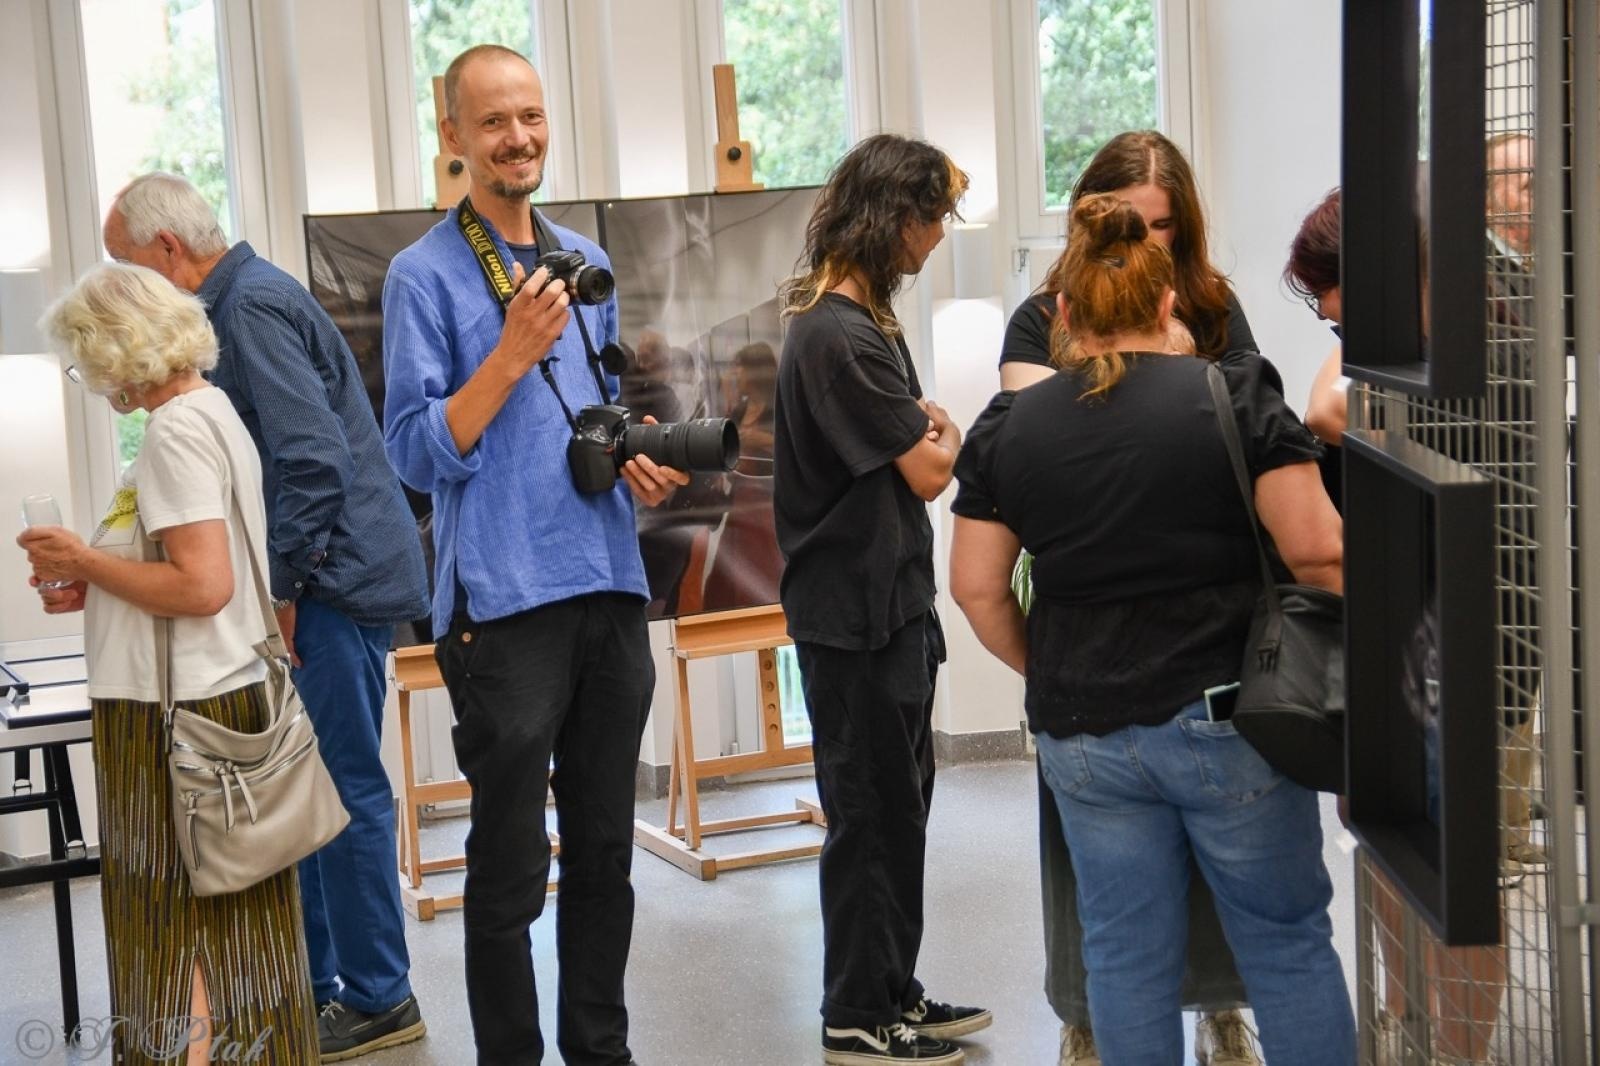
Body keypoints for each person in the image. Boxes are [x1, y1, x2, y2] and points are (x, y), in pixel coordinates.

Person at [950, 194, 1353, 1066]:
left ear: (1062, 314)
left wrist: (1045, 666)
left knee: (1125, 962)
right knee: (1283, 945)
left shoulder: (1008, 427)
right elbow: (1319, 552)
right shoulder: (1231, 392)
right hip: (1229, 718)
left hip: (1082, 734)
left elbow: (977, 590)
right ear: (1171, 306)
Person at [380, 43, 686, 1066]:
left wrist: (631, 459)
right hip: (502, 604)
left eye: (532, 117)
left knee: (605, 851)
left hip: (606, 585)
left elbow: (586, 413)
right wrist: (507, 351)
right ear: (455, 138)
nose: (518, 137)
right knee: (509, 868)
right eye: (494, 121)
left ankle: (601, 1052)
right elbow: (417, 452)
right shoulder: (421, 275)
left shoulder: (576, 259)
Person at [100, 171, 431, 1062]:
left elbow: (315, 461)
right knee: (304, 788)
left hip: (335, 585)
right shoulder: (249, 298)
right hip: (330, 579)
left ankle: (378, 997)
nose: (131, 293)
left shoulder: (244, 308)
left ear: (170, 250)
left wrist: (279, 592)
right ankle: (318, 985)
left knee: (338, 792)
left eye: (128, 269)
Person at [998, 129, 1260, 1066]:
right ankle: (1087, 1021)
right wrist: (1164, 365)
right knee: (1095, 866)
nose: (1147, 245)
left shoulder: (1217, 307)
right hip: (1085, 628)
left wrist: (1172, 360)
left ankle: (1223, 1010)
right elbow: (1024, 424)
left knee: (1223, 848)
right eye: (1129, 225)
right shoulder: (1039, 317)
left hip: (1207, 626)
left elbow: (1252, 422)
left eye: (1164, 228)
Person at [18, 263, 319, 1065]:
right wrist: (99, 584)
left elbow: (201, 585)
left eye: (88, 358)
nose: (92, 378)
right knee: (225, 921)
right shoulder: (210, 413)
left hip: (172, 713)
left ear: (120, 349)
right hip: (215, 694)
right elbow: (187, 569)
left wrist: (82, 559)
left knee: (168, 918)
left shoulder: (174, 432)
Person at [773, 132, 989, 1066]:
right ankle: (857, 1010)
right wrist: (935, 432)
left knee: (900, 814)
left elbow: (928, 451)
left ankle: (892, 990)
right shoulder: (834, 333)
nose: (937, 237)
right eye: (931, 217)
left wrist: (933, 436)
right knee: (867, 820)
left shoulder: (869, 325)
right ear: (889, 216)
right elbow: (932, 465)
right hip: (851, 621)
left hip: (891, 609)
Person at [1285, 187, 1511, 1066]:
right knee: (1380, 849)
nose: (1330, 321)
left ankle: (1457, 1050)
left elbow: (1327, 411)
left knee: (1454, 879)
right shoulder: (1380, 348)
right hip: (1384, 643)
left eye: (1333, 299)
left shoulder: (1479, 352)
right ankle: (1411, 1026)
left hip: (1461, 649)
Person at [703, 341, 781, 611]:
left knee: (763, 572)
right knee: (733, 576)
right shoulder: (739, 409)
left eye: (741, 368)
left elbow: (792, 448)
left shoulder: (777, 408)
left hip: (765, 504)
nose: (736, 374)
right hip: (739, 502)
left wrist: (760, 438)